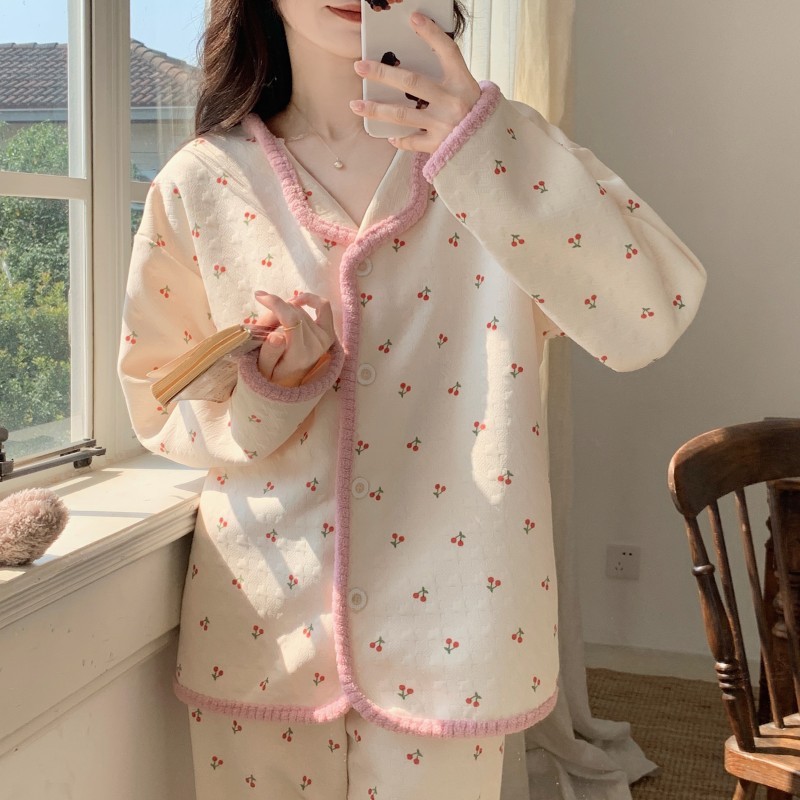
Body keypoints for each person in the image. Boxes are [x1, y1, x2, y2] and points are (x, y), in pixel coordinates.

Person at [117, 1, 707, 797]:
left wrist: (489, 148)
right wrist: (272, 394)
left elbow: (649, 315)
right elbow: (158, 401)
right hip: (263, 625)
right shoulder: (202, 181)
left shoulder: (496, 153)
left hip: (455, 634)